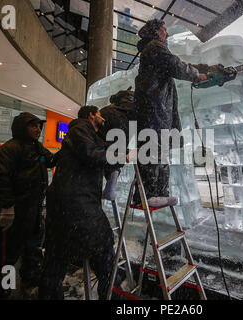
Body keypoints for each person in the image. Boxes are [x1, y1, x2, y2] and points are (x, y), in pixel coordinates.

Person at [134, 18, 223, 207]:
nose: (167, 34)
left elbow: (178, 63)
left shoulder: (153, 49)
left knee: (159, 152)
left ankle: (158, 193)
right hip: (154, 110)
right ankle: (149, 194)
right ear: (156, 31)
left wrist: (207, 69)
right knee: (153, 152)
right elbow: (176, 65)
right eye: (164, 30)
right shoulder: (154, 47)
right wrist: (196, 75)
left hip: (158, 110)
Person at [39, 106, 122, 300]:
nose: (102, 118)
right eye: (100, 114)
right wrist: (120, 155)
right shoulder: (80, 128)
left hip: (65, 207)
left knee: (55, 259)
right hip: (79, 205)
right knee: (105, 254)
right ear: (92, 115)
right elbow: (91, 152)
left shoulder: (75, 135)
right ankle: (112, 297)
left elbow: (53, 160)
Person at [0, 112, 55, 299]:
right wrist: (7, 208)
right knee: (6, 256)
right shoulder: (9, 149)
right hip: (14, 214)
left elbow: (52, 160)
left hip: (34, 212)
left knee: (33, 250)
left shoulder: (37, 147)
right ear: (22, 127)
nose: (38, 129)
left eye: (39, 126)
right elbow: (0, 179)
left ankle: (29, 282)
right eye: (33, 126)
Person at [99, 89, 137, 201]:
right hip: (122, 143)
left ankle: (110, 177)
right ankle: (113, 175)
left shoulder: (107, 110)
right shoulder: (134, 112)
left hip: (108, 143)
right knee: (118, 152)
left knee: (104, 153)